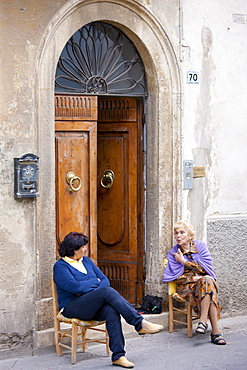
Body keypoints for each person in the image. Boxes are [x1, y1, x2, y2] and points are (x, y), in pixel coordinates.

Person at [53, 232, 164, 369]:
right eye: (83, 247)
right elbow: (74, 287)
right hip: (72, 307)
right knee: (106, 292)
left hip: (91, 306)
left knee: (111, 310)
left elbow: (105, 281)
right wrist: (94, 282)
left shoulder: (86, 261)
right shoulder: (60, 266)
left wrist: (88, 287)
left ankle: (118, 356)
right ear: (75, 250)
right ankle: (138, 323)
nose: (86, 249)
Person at [162, 220, 226, 345]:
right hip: (187, 287)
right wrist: (193, 278)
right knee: (208, 284)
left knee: (207, 282)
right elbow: (177, 278)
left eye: (182, 232)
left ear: (190, 235)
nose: (178, 236)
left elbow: (206, 269)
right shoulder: (174, 253)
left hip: (204, 284)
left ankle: (203, 322)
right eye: (176, 233)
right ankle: (215, 332)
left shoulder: (201, 247)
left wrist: (185, 263)